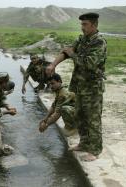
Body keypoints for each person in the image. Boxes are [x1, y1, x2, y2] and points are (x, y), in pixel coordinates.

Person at [46, 13, 107, 161]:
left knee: (93, 120)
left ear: (93, 25)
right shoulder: (82, 39)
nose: (82, 27)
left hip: (92, 88)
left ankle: (95, 150)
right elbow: (66, 52)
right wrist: (53, 64)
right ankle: (84, 144)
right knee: (80, 116)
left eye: (85, 24)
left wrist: (73, 55)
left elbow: (90, 64)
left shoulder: (99, 42)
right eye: (81, 24)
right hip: (79, 86)